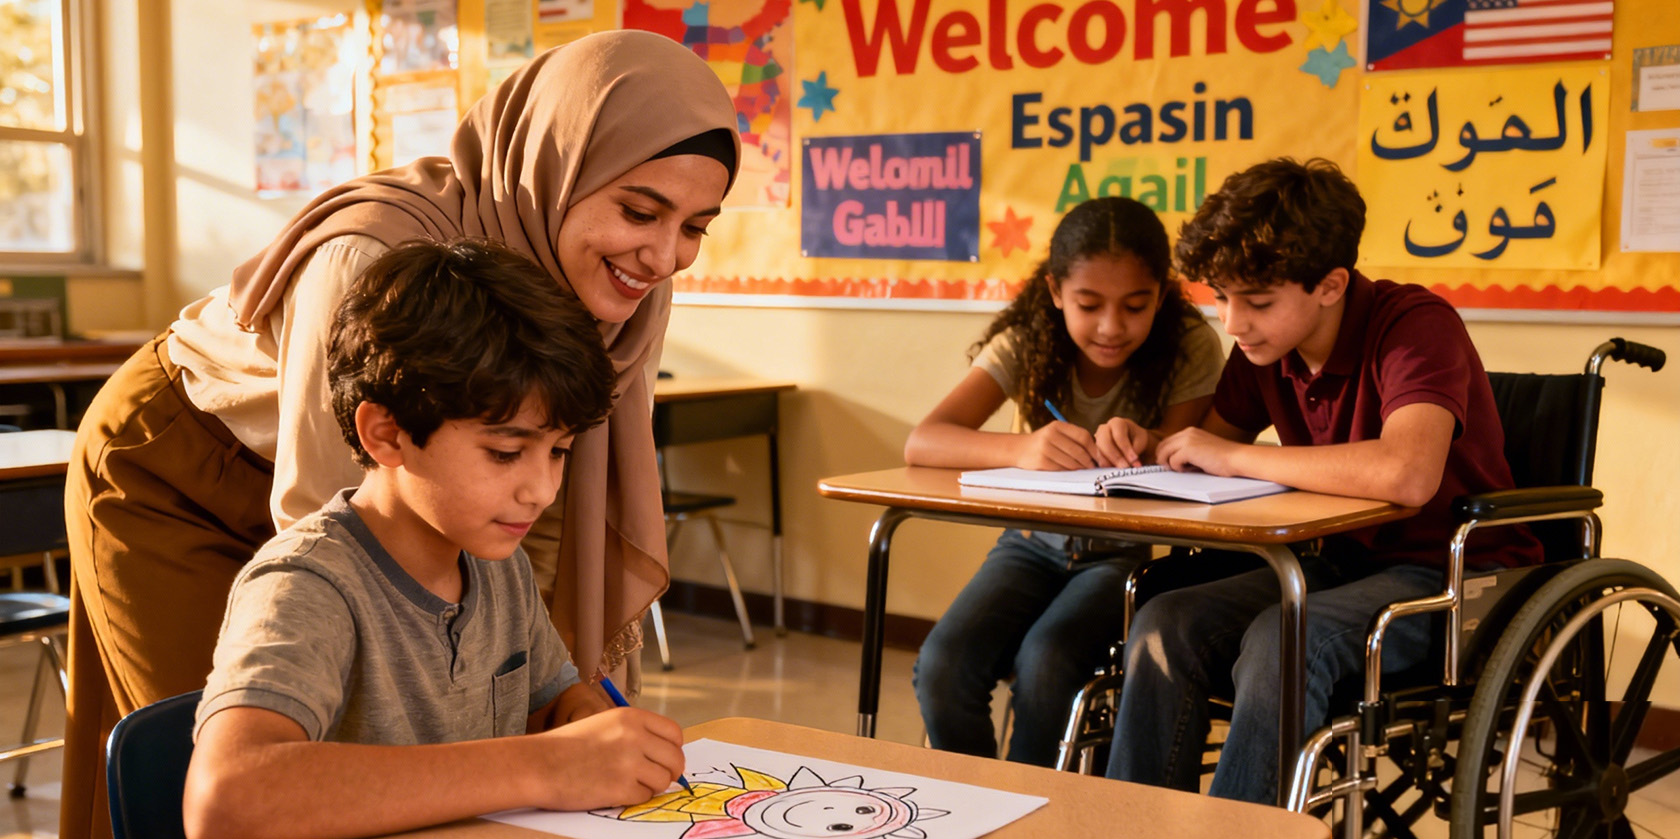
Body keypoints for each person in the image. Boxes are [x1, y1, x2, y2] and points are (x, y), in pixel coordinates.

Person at [63, 30, 739, 839]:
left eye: (697, 226)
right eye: (639, 210)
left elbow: (531, 560)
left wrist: (573, 711)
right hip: (179, 463)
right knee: (244, 750)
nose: (665, 255)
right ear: (561, 164)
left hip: (411, 486)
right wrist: (533, 762)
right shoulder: (374, 262)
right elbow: (332, 535)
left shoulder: (606, 302)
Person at [180, 238, 684, 839]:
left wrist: (581, 723)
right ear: (386, 434)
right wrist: (544, 765)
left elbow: (553, 701)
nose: (542, 491)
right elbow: (228, 800)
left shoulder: (496, 564)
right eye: (505, 453)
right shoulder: (307, 585)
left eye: (558, 453)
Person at [1101, 158, 1542, 803]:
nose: (1233, 322)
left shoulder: (1416, 326)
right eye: (1221, 298)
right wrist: (1152, 445)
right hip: (1337, 562)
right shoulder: (1265, 348)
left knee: (1283, 640)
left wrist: (1233, 457)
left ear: (1331, 285)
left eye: (1256, 302)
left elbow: (1407, 475)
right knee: (1165, 621)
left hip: (1455, 577)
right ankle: (1130, 824)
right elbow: (1205, 445)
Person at [903, 196, 1225, 766]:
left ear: (1163, 296)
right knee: (943, 664)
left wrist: (1147, 441)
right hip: (1028, 545)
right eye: (1088, 303)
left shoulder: (1189, 344)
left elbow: (1187, 461)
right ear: (1055, 292)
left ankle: (1037, 813)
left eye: (1135, 305)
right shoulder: (1030, 340)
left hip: (1123, 560)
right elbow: (923, 441)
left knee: (1048, 659)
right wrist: (1022, 448)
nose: (1110, 327)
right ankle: (976, 804)